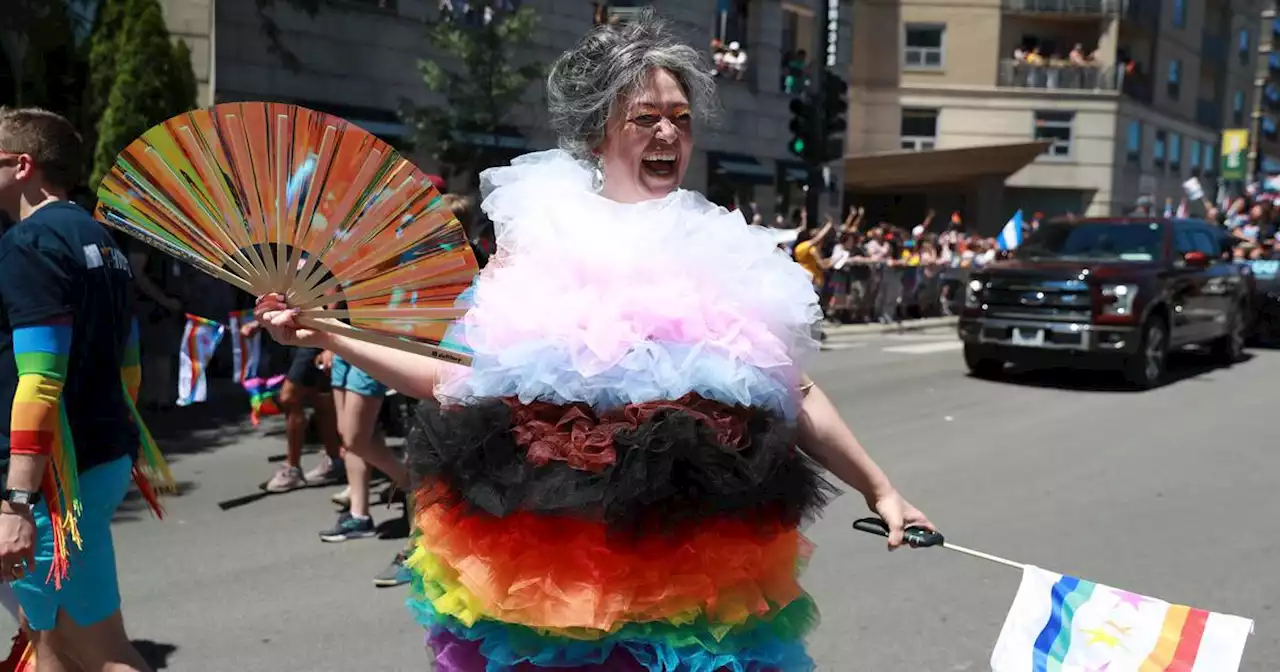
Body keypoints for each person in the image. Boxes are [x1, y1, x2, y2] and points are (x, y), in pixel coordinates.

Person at [256, 12, 932, 670]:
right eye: (647, 117)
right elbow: (449, 377)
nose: (669, 132)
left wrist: (881, 491)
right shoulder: (539, 244)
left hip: (689, 584)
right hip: (558, 590)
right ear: (598, 131)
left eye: (682, 118)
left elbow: (794, 390)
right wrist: (325, 329)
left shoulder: (722, 252)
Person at [0, 108, 170, 671]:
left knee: (90, 655)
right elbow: (129, 364)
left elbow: (41, 379)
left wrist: (19, 501)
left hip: (53, 484)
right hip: (96, 460)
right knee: (49, 647)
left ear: (23, 165)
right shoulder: (103, 240)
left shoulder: (29, 243)